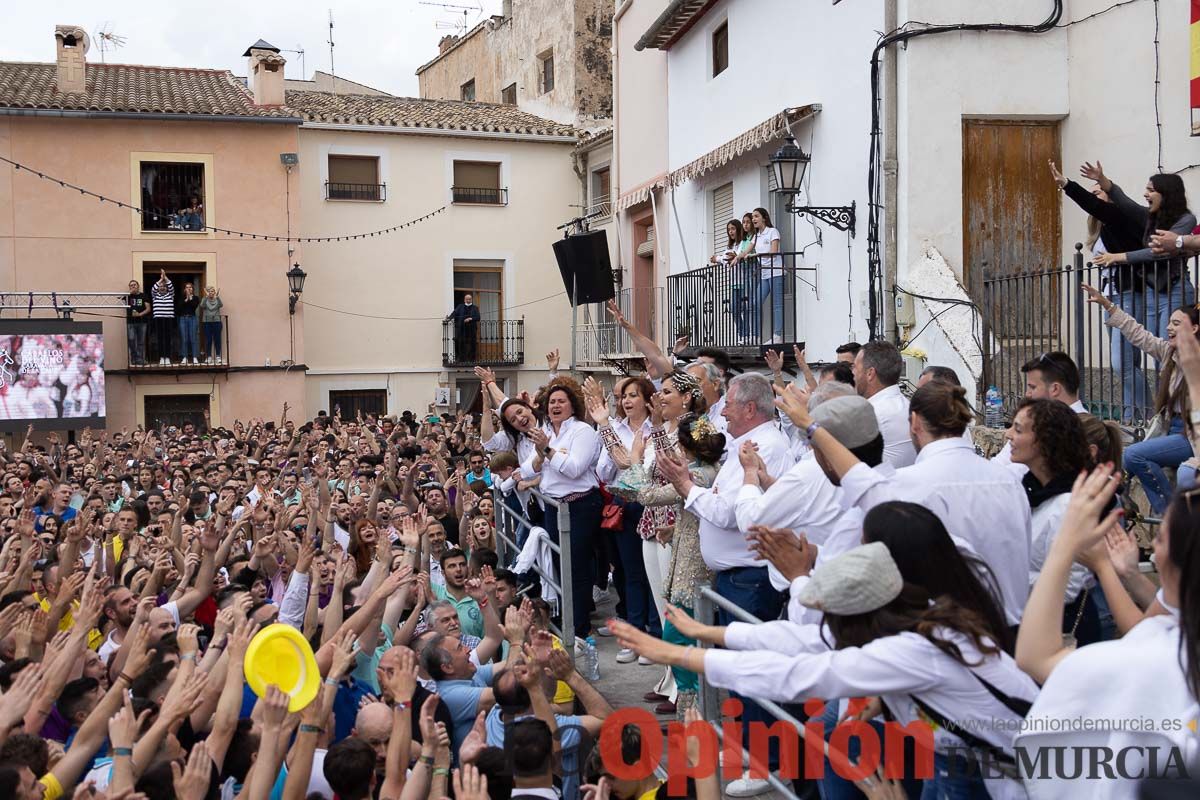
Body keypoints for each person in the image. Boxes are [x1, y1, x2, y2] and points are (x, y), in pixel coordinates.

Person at [610, 541, 1039, 800]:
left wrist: (679, 655)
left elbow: (799, 675)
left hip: (1023, 775)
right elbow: (799, 643)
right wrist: (708, 633)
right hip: (973, 762)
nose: (824, 623)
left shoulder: (908, 650)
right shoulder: (909, 624)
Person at [776, 381, 1032, 630]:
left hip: (955, 636)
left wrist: (812, 427)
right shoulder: (1010, 481)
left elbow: (859, 481)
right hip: (1014, 631)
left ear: (915, 422)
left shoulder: (906, 485)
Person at [654, 372, 793, 796]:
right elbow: (721, 497)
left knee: (751, 673)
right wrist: (695, 486)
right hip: (736, 576)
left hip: (751, 577)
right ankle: (745, 748)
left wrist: (685, 488)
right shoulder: (744, 445)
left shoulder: (765, 446)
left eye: (729, 406)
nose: (724, 414)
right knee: (736, 672)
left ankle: (768, 765)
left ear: (750, 408)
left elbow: (731, 513)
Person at [618, 412, 723, 719]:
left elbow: (647, 495)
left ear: (689, 447)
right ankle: (692, 708)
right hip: (687, 554)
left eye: (679, 445)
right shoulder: (703, 471)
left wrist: (635, 461)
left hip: (694, 565)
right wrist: (675, 529)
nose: (676, 450)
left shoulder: (698, 475)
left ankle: (695, 710)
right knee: (681, 634)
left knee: (678, 637)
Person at [1084, 282, 1199, 514]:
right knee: (1126, 462)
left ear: (1195, 328)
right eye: (1169, 322)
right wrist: (1108, 305)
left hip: (1192, 433)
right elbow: (1138, 334)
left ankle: (1168, 515)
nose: (1168, 327)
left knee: (1135, 454)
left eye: (1176, 323)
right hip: (1172, 428)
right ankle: (1119, 506)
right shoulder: (1169, 352)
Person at [1050, 161, 1148, 419]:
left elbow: (1094, 206)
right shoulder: (1102, 228)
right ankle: (1131, 417)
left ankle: (1149, 416)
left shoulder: (1119, 219)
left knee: (1122, 363)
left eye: (1098, 192)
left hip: (1128, 294)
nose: (1094, 197)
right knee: (1128, 363)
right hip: (1111, 296)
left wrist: (1068, 186)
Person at [1081, 161, 1197, 380]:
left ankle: (1180, 406)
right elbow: (1124, 202)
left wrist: (1118, 257)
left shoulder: (1186, 219)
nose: (1145, 194)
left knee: (1171, 355)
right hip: (1152, 292)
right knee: (1158, 354)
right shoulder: (1149, 218)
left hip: (1175, 289)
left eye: (1151, 190)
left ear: (1167, 194)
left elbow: (1160, 252)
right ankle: (1163, 407)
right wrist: (1102, 179)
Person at [1007, 397, 1103, 646]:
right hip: (1034, 619)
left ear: (1044, 442)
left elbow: (1069, 587)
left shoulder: (1069, 504)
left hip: (1062, 630)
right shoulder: (1030, 490)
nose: (1008, 436)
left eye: (1017, 429)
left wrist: (1006, 575)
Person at [520, 377, 602, 642]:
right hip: (554, 507)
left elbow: (575, 468)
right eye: (552, 401)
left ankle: (579, 627)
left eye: (561, 401)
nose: (555, 405)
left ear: (572, 405)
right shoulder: (545, 431)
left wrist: (547, 450)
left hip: (580, 505)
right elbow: (525, 470)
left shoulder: (582, 431)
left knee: (576, 566)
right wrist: (542, 453)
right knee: (558, 564)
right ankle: (567, 619)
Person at [588, 375, 661, 661]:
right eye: (623, 397)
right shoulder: (615, 427)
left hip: (654, 503)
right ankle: (634, 633)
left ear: (646, 398)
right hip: (625, 503)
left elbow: (635, 464)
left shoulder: (657, 428)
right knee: (630, 573)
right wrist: (607, 431)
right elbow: (607, 471)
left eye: (632, 395)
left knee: (654, 572)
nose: (626, 401)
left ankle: (655, 634)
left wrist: (625, 453)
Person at [852, 340, 916, 467]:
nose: (852, 373)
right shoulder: (907, 405)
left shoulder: (871, 413)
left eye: (854, 367)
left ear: (870, 373)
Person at [734, 207, 785, 344]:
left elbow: (774, 252)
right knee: (754, 303)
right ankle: (756, 336)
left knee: (777, 305)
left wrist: (756, 255)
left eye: (756, 216)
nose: (753, 219)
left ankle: (777, 336)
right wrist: (737, 258)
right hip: (764, 273)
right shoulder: (756, 236)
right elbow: (746, 251)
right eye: (753, 217)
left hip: (776, 272)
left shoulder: (772, 232)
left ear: (764, 218)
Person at [150, 269, 175, 366]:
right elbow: (153, 288)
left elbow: (171, 286)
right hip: (158, 319)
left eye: (164, 286)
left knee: (168, 338)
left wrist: (165, 277)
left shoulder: (171, 295)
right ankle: (161, 358)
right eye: (160, 286)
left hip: (169, 319)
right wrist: (160, 280)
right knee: (160, 338)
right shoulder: (155, 295)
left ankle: (167, 357)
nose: (162, 287)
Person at [124, 280, 150, 367]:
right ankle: (134, 358)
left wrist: (140, 314)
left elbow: (148, 308)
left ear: (138, 286)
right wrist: (129, 294)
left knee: (141, 341)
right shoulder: (128, 297)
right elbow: (118, 299)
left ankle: (140, 359)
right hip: (130, 322)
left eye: (134, 285)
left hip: (142, 322)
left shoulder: (144, 296)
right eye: (131, 285)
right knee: (131, 340)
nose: (133, 286)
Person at [449, 293, 482, 362]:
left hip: (472, 329)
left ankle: (472, 359)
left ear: (471, 300)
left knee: (472, 344)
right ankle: (461, 359)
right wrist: (448, 319)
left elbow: (478, 317)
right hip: (462, 328)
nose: (468, 300)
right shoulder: (460, 306)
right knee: (460, 343)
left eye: (469, 299)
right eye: (467, 299)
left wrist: (470, 318)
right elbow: (454, 313)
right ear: (464, 300)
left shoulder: (475, 308)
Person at [177, 282, 200, 366]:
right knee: (184, 338)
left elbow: (194, 306)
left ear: (192, 289)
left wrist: (189, 298)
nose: (189, 289)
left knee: (193, 338)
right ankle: (185, 357)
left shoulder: (196, 298)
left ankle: (195, 357)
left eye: (190, 287)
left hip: (192, 318)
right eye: (187, 287)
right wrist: (186, 299)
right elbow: (179, 308)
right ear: (184, 289)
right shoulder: (181, 298)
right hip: (183, 318)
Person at [200, 285, 224, 365]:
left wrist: (217, 297)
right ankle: (209, 356)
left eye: (212, 291)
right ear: (207, 292)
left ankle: (218, 356)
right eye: (210, 291)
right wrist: (206, 297)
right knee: (208, 340)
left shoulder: (217, 300)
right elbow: (202, 306)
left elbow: (221, 305)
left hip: (217, 322)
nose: (211, 292)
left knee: (217, 339)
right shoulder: (205, 300)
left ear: (214, 292)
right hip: (207, 322)